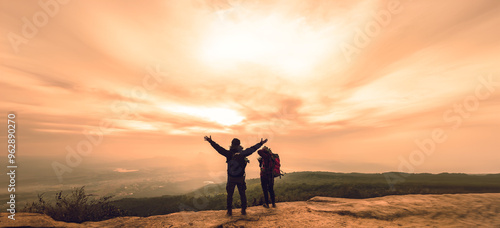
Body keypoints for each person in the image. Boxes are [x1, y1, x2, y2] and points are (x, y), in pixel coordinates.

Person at [204, 135, 268, 216]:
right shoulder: (243, 153)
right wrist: (261, 143)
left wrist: (211, 141)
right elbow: (252, 149)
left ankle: (229, 211)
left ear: (232, 144)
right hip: (241, 178)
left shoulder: (228, 154)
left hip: (231, 178)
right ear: (239, 145)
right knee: (242, 194)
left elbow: (219, 149)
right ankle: (243, 210)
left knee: (230, 195)